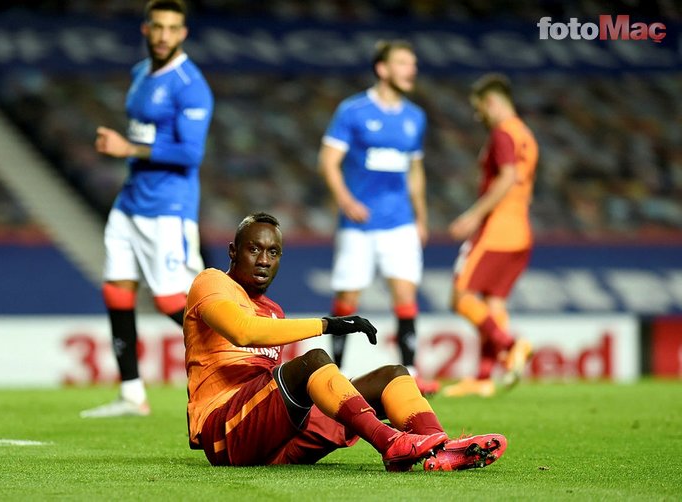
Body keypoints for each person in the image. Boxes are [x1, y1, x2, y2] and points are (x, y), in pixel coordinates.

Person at [183, 211, 507, 470]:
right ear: (232, 251)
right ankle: (390, 443)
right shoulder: (211, 282)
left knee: (392, 375)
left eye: (273, 252)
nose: (264, 260)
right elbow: (243, 331)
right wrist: (327, 325)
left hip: (277, 440)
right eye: (254, 249)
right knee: (312, 363)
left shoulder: (273, 311)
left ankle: (441, 446)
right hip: (225, 432)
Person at [81, 0, 213, 418]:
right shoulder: (140, 74)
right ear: (145, 29)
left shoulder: (190, 84)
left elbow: (191, 153)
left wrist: (127, 147)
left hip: (167, 207)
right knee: (117, 289)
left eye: (172, 28)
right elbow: (147, 134)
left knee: (175, 300)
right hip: (130, 202)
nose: (163, 35)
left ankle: (254, 357)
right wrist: (126, 147)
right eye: (157, 26)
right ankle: (132, 393)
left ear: (183, 34)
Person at [317, 40, 438, 395]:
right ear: (382, 69)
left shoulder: (415, 117)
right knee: (347, 300)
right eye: (403, 63)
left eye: (412, 63)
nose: (411, 70)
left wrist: (421, 216)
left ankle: (410, 372)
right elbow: (328, 161)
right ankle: (333, 376)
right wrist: (345, 200)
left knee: (405, 294)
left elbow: (415, 170)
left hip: (399, 222)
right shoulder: (352, 111)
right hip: (359, 224)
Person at [442, 74, 537, 398]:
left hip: (496, 229)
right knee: (493, 302)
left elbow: (508, 176)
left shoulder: (502, 133)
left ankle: (512, 345)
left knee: (461, 297)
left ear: (492, 102)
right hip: (521, 231)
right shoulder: (526, 135)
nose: (476, 115)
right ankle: (484, 378)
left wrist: (474, 214)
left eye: (478, 107)